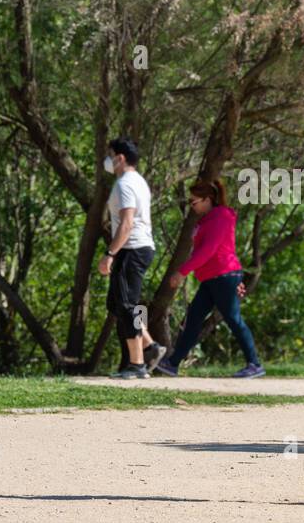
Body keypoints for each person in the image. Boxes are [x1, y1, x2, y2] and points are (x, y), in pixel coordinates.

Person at [154, 178, 264, 378]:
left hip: (224, 275)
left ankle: (254, 364)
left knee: (233, 319)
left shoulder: (221, 217)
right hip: (211, 278)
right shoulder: (207, 219)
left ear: (207, 199)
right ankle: (172, 363)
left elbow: (208, 250)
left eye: (194, 202)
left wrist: (182, 272)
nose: (191, 206)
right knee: (193, 318)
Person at [99, 137, 166, 378]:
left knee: (128, 306)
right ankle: (150, 345)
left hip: (132, 248)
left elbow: (126, 223)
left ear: (120, 158)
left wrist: (110, 254)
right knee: (117, 304)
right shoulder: (138, 181)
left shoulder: (125, 184)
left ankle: (137, 364)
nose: (107, 160)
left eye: (110, 154)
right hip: (138, 248)